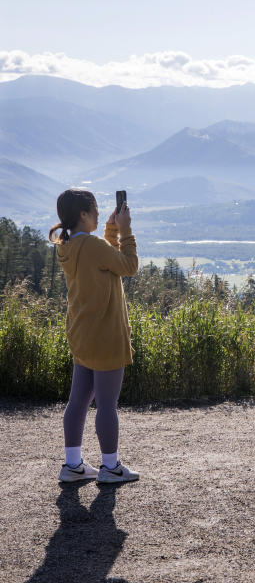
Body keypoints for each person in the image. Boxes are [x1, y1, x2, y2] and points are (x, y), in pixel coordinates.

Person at [49, 189, 140, 484]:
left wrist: (111, 231)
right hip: (105, 335)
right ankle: (110, 467)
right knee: (107, 404)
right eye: (96, 209)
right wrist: (125, 232)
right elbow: (128, 266)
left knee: (79, 401)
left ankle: (73, 464)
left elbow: (105, 262)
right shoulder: (91, 245)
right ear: (84, 214)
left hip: (82, 333)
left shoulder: (69, 246)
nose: (100, 214)